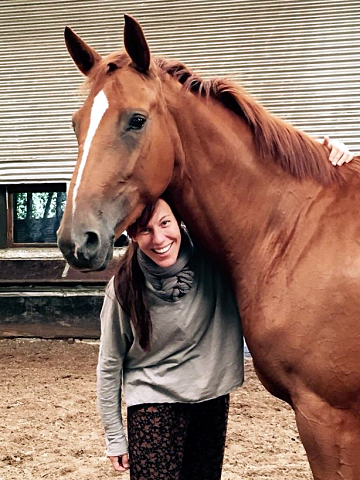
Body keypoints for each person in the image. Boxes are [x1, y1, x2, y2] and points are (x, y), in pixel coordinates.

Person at [97, 138, 353, 480]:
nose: (158, 239)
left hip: (210, 401)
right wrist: (115, 437)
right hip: (154, 407)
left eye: (165, 224)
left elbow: (272, 202)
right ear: (131, 236)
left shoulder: (215, 265)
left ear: (180, 222)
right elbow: (109, 364)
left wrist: (331, 154)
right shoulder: (124, 288)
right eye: (144, 231)